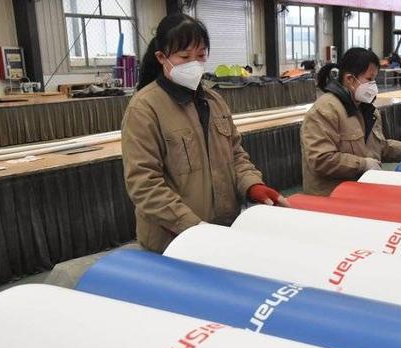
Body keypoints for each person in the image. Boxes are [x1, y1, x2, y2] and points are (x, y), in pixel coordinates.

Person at [122, 13, 288, 253]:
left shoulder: (214, 101)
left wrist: (252, 185)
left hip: (222, 231)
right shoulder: (145, 109)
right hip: (173, 242)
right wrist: (192, 226)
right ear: (161, 57)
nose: (194, 64)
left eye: (200, 56)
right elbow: (144, 184)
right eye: (184, 57)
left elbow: (235, 156)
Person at [300, 47, 401, 196]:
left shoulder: (366, 109)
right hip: (331, 196)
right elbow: (321, 159)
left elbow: (378, 146)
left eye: (375, 80)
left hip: (360, 192)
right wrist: (363, 164)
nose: (374, 86)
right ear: (350, 79)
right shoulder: (325, 111)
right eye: (369, 79)